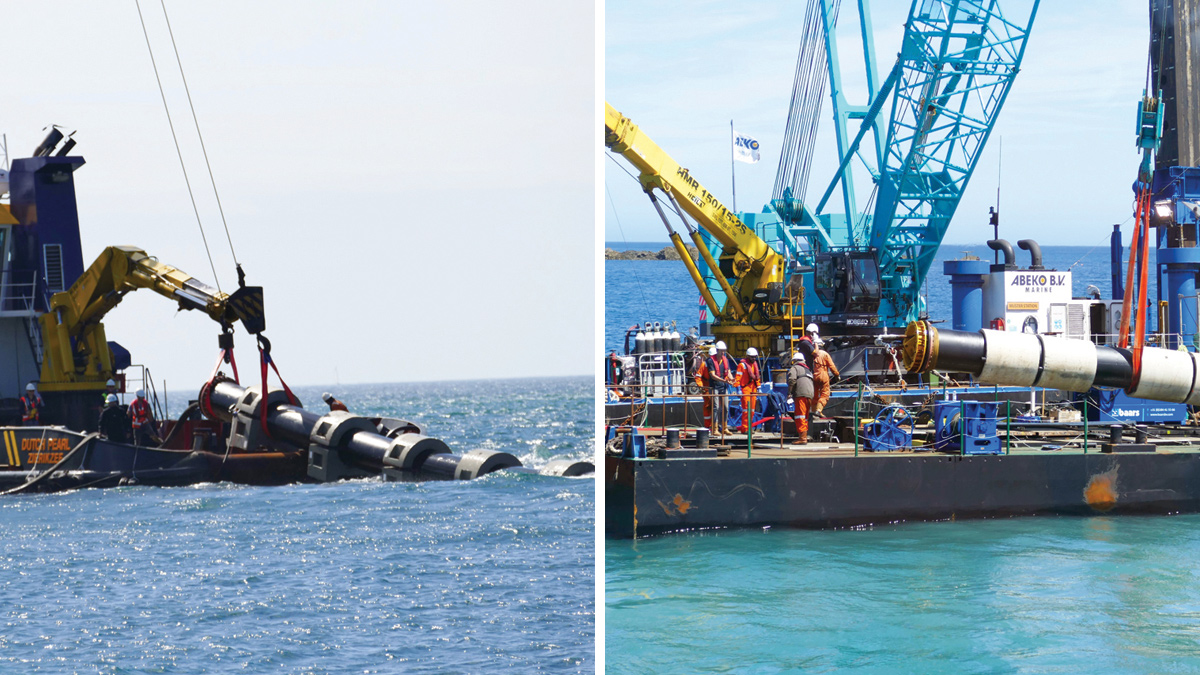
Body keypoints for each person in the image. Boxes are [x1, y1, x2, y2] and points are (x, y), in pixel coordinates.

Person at [694, 346, 733, 434]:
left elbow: (725, 373)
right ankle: (709, 426)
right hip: (707, 388)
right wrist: (701, 387)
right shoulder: (705, 364)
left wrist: (731, 379)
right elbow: (698, 376)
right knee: (709, 407)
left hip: (718, 385)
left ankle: (720, 426)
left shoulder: (722, 362)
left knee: (721, 407)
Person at [786, 352, 815, 444]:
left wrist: (789, 393)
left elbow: (792, 380)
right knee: (805, 416)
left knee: (800, 415)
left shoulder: (795, 368)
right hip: (810, 394)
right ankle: (804, 436)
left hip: (801, 394)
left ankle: (802, 438)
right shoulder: (808, 369)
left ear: (794, 361)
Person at [811, 339, 841, 418]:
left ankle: (813, 411)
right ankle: (818, 410)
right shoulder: (825, 354)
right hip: (823, 375)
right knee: (825, 393)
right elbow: (831, 366)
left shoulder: (812, 354)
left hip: (814, 375)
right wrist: (837, 375)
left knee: (815, 394)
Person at [735, 347, 762, 433]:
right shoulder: (742, 365)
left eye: (755, 357)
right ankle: (745, 428)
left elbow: (757, 377)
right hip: (745, 390)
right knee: (746, 410)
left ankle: (749, 428)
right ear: (747, 356)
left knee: (752, 410)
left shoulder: (754, 364)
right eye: (752, 357)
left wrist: (759, 387)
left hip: (753, 390)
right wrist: (738, 389)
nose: (753, 358)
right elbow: (737, 378)